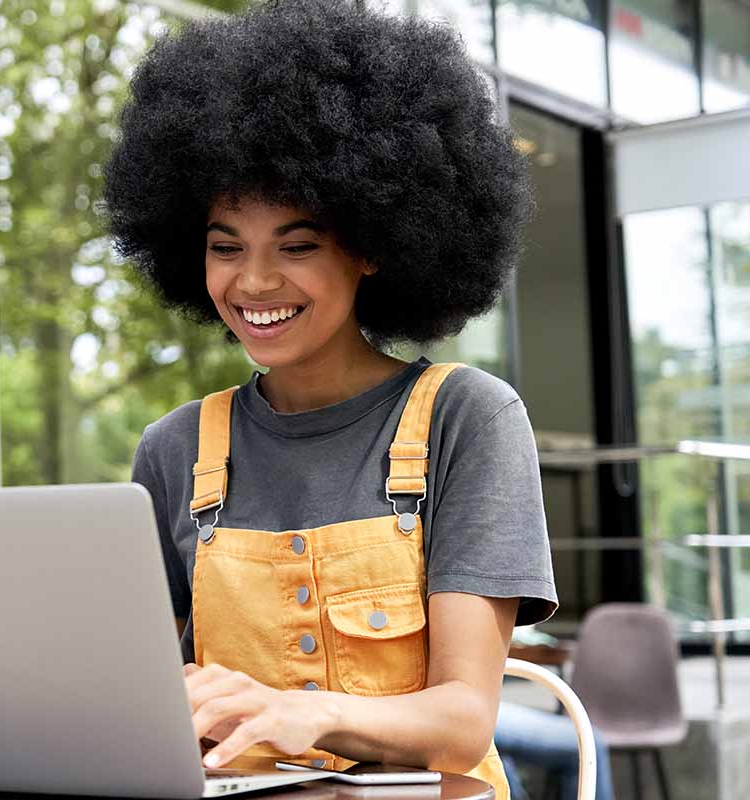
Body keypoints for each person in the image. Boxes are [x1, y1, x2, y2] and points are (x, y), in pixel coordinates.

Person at [102, 2, 558, 799]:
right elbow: (141, 701)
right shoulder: (175, 450)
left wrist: (303, 715)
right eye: (225, 246)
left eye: (298, 245)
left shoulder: (468, 418)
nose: (253, 283)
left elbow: (462, 724)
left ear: (374, 245)